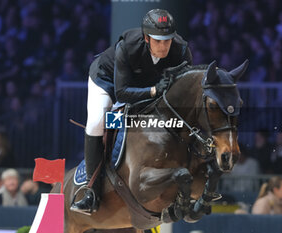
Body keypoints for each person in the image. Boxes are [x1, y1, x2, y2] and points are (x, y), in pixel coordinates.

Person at [70, 9, 193, 214]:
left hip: (147, 87)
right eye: (158, 41)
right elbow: (122, 93)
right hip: (108, 81)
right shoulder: (127, 47)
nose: (163, 47)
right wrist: (154, 91)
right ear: (146, 38)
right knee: (99, 121)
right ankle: (91, 191)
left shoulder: (180, 51)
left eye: (167, 41)